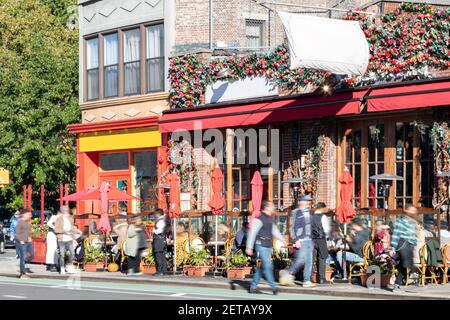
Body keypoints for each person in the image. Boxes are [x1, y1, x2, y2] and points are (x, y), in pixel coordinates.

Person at [246, 200, 285, 295]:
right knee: (268, 266)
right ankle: (274, 287)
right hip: (261, 244)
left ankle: (253, 286)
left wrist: (282, 239)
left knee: (263, 267)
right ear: (267, 207)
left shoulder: (270, 218)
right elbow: (252, 233)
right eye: (272, 206)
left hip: (268, 245)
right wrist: (249, 247)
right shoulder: (259, 219)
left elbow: (274, 230)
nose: (273, 207)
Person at [279, 194, 316, 288]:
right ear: (301, 201)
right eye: (306, 200)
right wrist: (296, 240)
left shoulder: (310, 212)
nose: (308, 202)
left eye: (309, 201)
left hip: (309, 240)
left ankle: (306, 281)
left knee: (309, 261)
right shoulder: (296, 212)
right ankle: (287, 272)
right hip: (301, 240)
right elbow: (292, 227)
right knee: (300, 260)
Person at [390, 205, 418, 293]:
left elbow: (413, 235)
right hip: (402, 243)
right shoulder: (400, 220)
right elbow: (396, 234)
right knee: (407, 262)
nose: (413, 212)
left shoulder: (413, 222)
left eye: (414, 211)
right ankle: (414, 275)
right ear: (407, 211)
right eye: (412, 210)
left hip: (409, 245)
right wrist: (392, 247)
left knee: (402, 266)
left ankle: (396, 285)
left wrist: (414, 243)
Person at [311, 202, 331, 284]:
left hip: (312, 240)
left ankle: (309, 278)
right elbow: (326, 229)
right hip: (321, 239)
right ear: (322, 208)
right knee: (322, 258)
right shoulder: (323, 217)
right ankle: (322, 278)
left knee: (311, 260)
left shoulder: (310, 217)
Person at [54, 206, 76, 275]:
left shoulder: (70, 219)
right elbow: (56, 230)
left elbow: (72, 230)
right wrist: (64, 231)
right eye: (65, 211)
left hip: (69, 239)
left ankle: (68, 266)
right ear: (62, 211)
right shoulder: (58, 219)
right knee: (62, 255)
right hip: (62, 239)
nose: (67, 212)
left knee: (72, 253)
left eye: (67, 210)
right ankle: (62, 268)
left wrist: (74, 238)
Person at [15, 208, 34, 279]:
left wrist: (30, 236)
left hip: (28, 241)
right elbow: (17, 233)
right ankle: (22, 274)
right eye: (28, 214)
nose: (30, 216)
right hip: (21, 242)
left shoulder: (28, 223)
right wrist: (20, 240)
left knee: (32, 255)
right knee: (23, 258)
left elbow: (29, 232)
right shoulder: (20, 222)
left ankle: (21, 260)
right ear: (23, 215)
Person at [152, 208, 168, 275]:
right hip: (162, 240)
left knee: (158, 255)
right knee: (162, 255)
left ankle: (160, 271)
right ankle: (164, 270)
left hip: (159, 239)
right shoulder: (162, 220)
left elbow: (160, 231)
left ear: (158, 214)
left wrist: (153, 231)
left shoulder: (160, 221)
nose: (154, 215)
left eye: (155, 214)